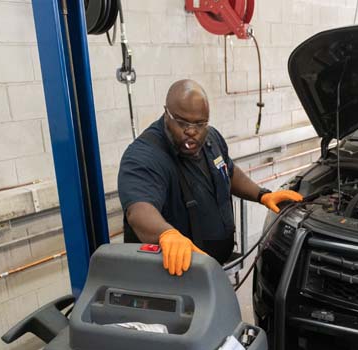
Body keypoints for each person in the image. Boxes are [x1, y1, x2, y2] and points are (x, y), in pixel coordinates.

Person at [117, 79, 302, 276]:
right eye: (182, 123)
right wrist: (166, 234)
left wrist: (262, 195)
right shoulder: (144, 156)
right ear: (166, 114)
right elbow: (138, 210)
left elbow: (227, 170)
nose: (191, 131)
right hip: (174, 275)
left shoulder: (211, 138)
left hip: (210, 269)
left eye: (199, 123)